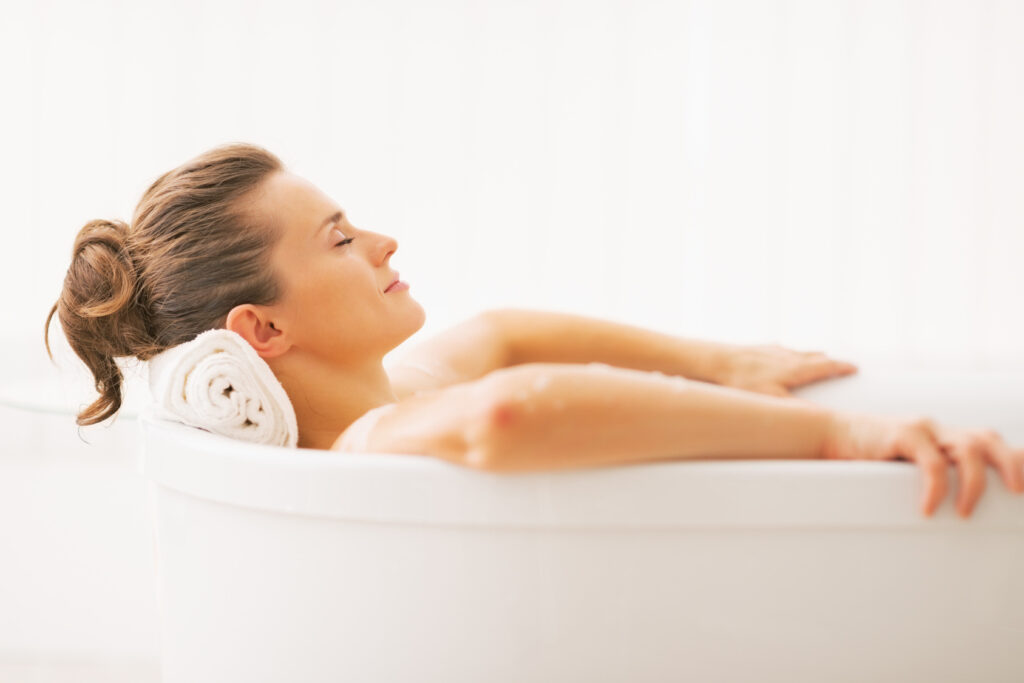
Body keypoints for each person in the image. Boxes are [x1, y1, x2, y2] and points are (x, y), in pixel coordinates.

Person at [45, 142, 1024, 519]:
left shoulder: (406, 388)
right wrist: (840, 436)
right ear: (261, 328)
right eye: (340, 237)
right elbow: (511, 411)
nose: (383, 241)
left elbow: (505, 336)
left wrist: (721, 360)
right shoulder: (368, 443)